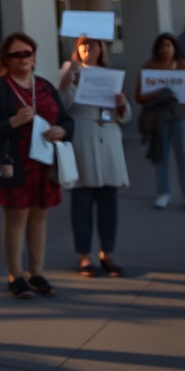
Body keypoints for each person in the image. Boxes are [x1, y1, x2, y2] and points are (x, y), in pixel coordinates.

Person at [0, 32, 73, 299]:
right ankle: (15, 275)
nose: (23, 58)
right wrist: (14, 122)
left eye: (28, 53)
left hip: (43, 163)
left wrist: (61, 130)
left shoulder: (44, 86)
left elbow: (67, 121)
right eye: (16, 54)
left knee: (40, 216)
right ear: (5, 59)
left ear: (34, 57)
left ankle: (37, 272)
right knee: (16, 218)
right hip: (14, 163)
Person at [57, 35, 131, 277]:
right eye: (83, 45)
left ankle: (107, 252)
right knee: (82, 201)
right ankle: (84, 255)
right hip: (84, 140)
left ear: (102, 48)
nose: (88, 48)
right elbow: (61, 106)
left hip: (108, 140)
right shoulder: (70, 71)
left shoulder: (110, 74)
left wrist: (121, 105)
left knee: (109, 199)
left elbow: (124, 114)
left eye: (93, 44)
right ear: (77, 49)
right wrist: (68, 80)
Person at [135, 32, 185, 211]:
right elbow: (139, 96)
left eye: (169, 45)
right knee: (161, 155)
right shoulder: (149, 67)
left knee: (184, 156)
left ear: (175, 48)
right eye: (162, 45)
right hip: (159, 118)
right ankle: (163, 192)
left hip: (181, 117)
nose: (165, 49)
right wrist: (156, 93)